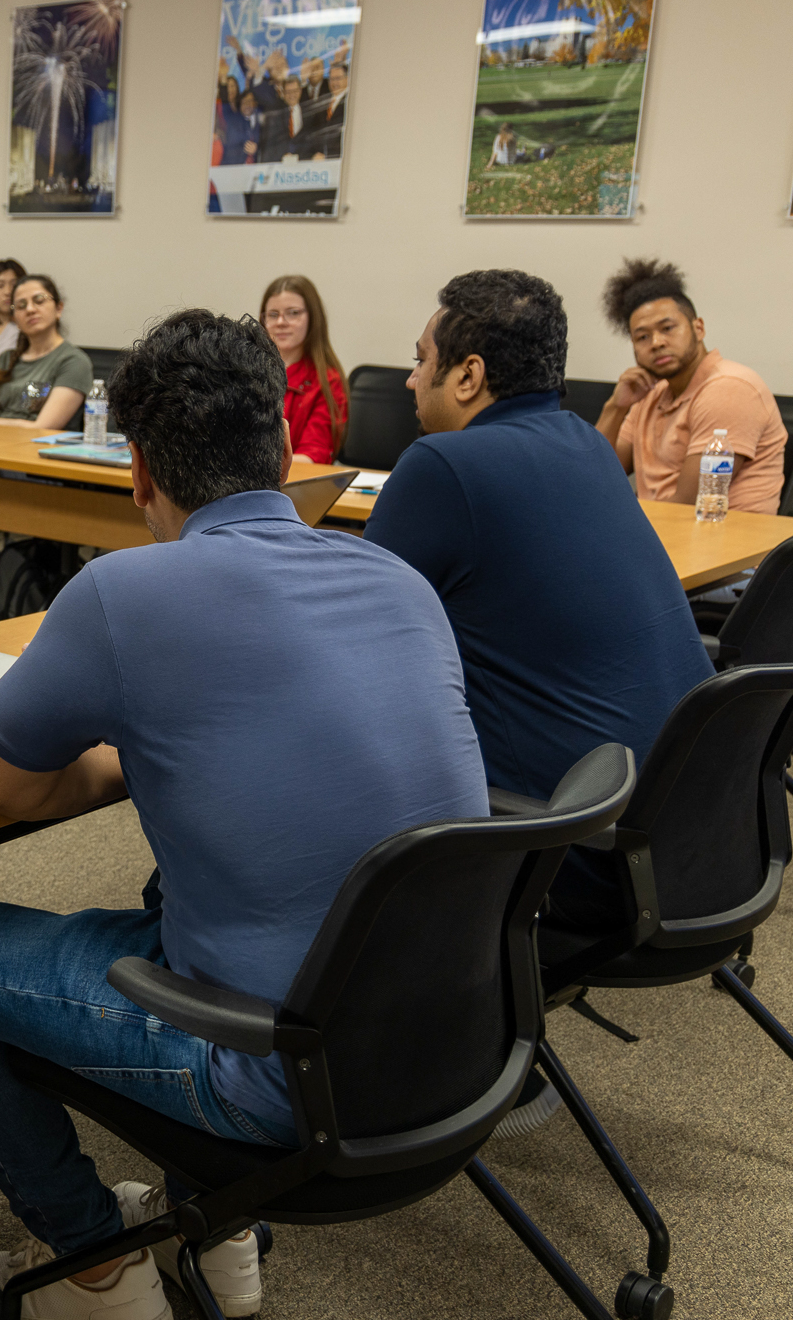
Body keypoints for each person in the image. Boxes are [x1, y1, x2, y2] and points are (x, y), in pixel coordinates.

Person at [0, 309, 487, 1320]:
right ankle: (221, 1245)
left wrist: (118, 762)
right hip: (453, 1038)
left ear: (137, 471)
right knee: (178, 890)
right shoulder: (395, 579)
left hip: (280, 1072)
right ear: (288, 449)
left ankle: (91, 1267)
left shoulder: (124, 592)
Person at [366, 269, 713, 1137]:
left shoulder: (442, 462)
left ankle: (346, 1056)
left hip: (584, 857)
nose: (410, 380)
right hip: (694, 838)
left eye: (421, 362)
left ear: (469, 375)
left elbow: (352, 642)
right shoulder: (586, 444)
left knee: (332, 761)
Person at [593, 258, 785, 514]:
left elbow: (686, 506)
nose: (657, 342)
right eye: (642, 337)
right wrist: (615, 407)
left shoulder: (729, 388)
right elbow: (595, 474)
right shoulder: (652, 392)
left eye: (668, 328)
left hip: (727, 543)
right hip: (666, 533)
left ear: (699, 328)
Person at [0, 273, 91, 432]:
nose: (30, 309)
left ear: (58, 308)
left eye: (39, 301)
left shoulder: (73, 361)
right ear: (15, 320)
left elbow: (42, 428)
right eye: (21, 305)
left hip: (35, 449)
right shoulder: (5, 359)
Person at [259, 275, 347, 463]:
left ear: (313, 318)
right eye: (273, 315)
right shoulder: (246, 372)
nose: (281, 322)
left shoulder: (327, 380)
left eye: (293, 313)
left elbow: (314, 455)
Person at [258, 75, 308, 162]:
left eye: (295, 91)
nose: (292, 95)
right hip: (279, 164)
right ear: (283, 93)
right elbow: (269, 144)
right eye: (288, 92)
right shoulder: (275, 113)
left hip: (303, 164)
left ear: (300, 91)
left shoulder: (309, 112)